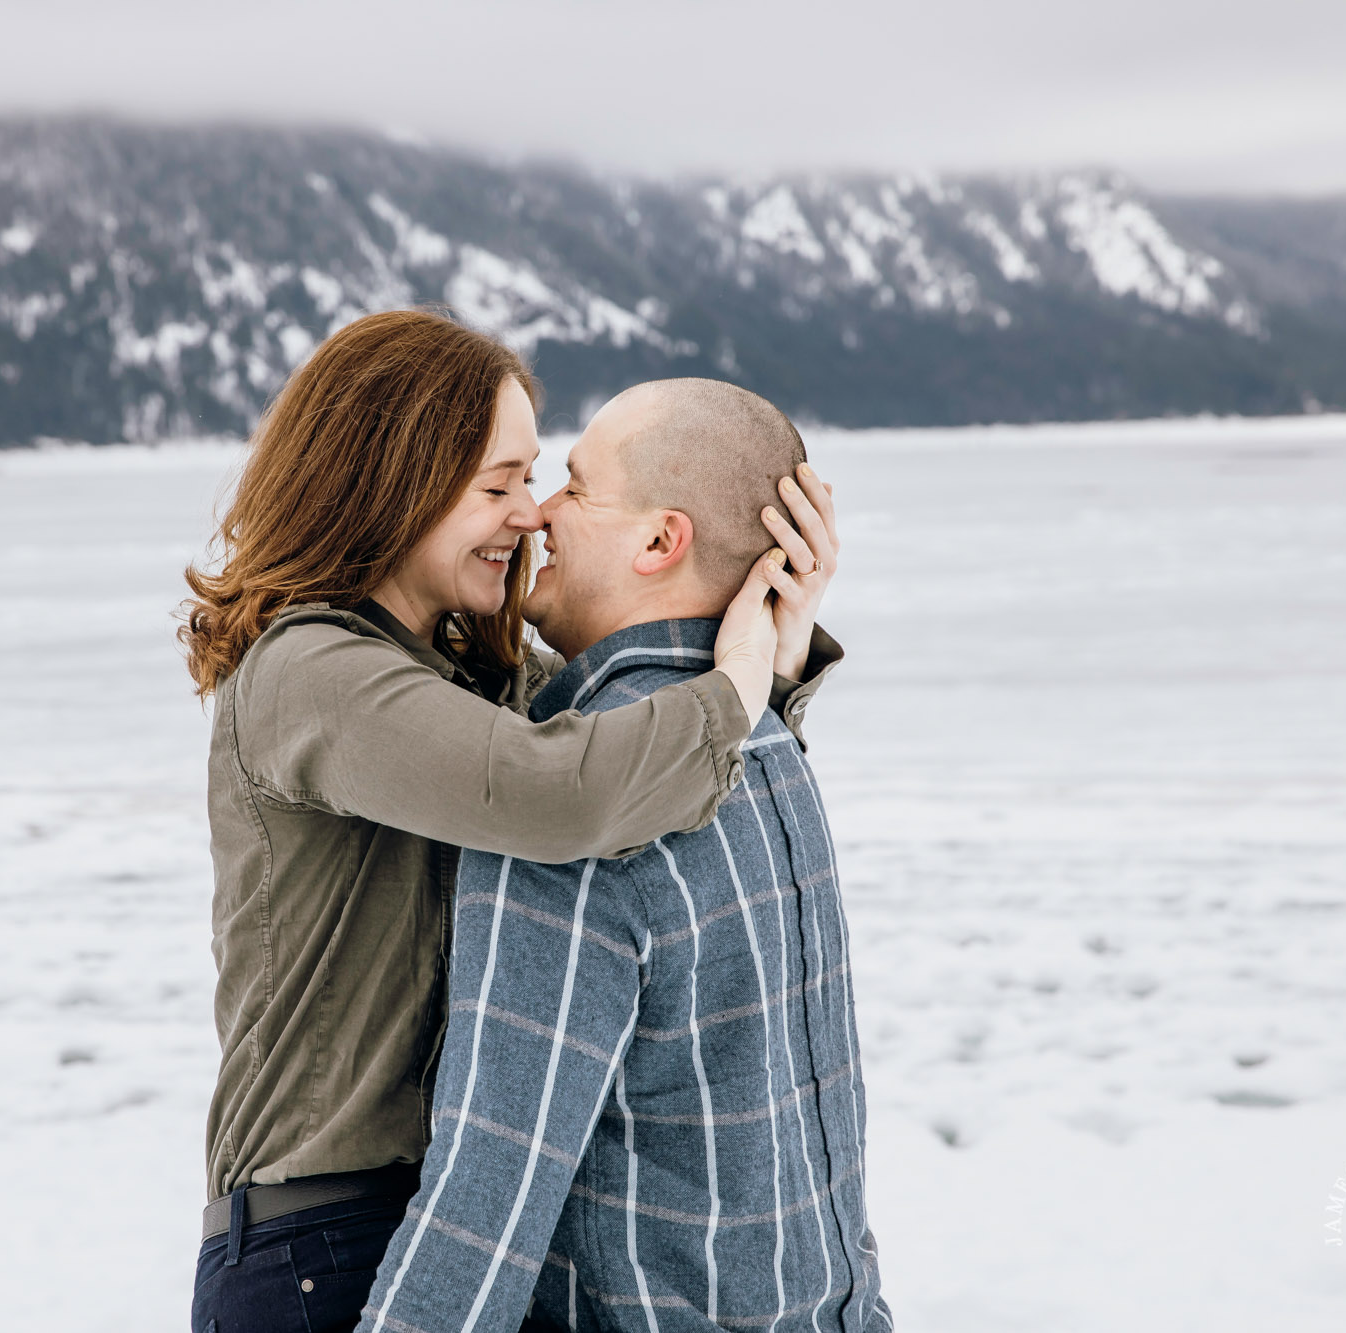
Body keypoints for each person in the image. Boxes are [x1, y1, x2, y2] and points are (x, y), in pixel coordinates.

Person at [180, 313, 844, 1333]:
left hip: (448, 1234)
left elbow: (627, 738)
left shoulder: (461, 675)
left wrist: (771, 646)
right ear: (389, 481)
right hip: (320, 1242)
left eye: (536, 479)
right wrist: (735, 683)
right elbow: (564, 789)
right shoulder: (312, 673)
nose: (528, 514)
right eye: (496, 485)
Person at [360, 380, 892, 1332]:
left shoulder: (579, 805)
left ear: (659, 541)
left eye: (575, 485)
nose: (541, 514)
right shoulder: (771, 750)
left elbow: (488, 1196)